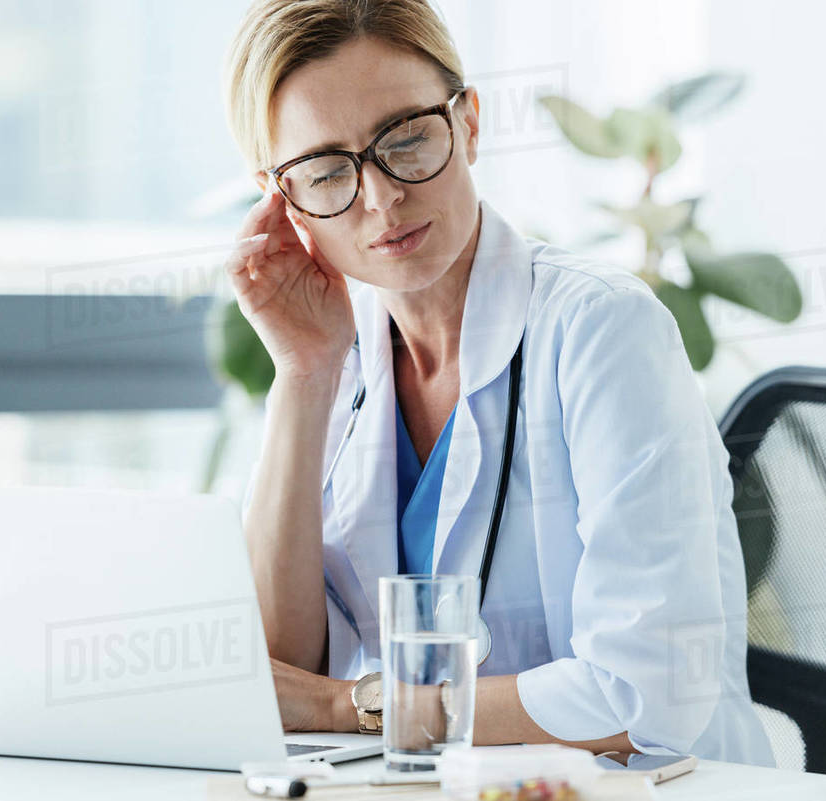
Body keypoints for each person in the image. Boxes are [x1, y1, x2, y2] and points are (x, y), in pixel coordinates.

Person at [222, 0, 774, 765]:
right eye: (325, 172)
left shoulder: (603, 330)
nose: (382, 199)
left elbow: (644, 697)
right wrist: (302, 375)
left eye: (407, 141)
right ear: (282, 199)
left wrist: (350, 706)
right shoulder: (336, 355)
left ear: (469, 123)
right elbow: (276, 674)